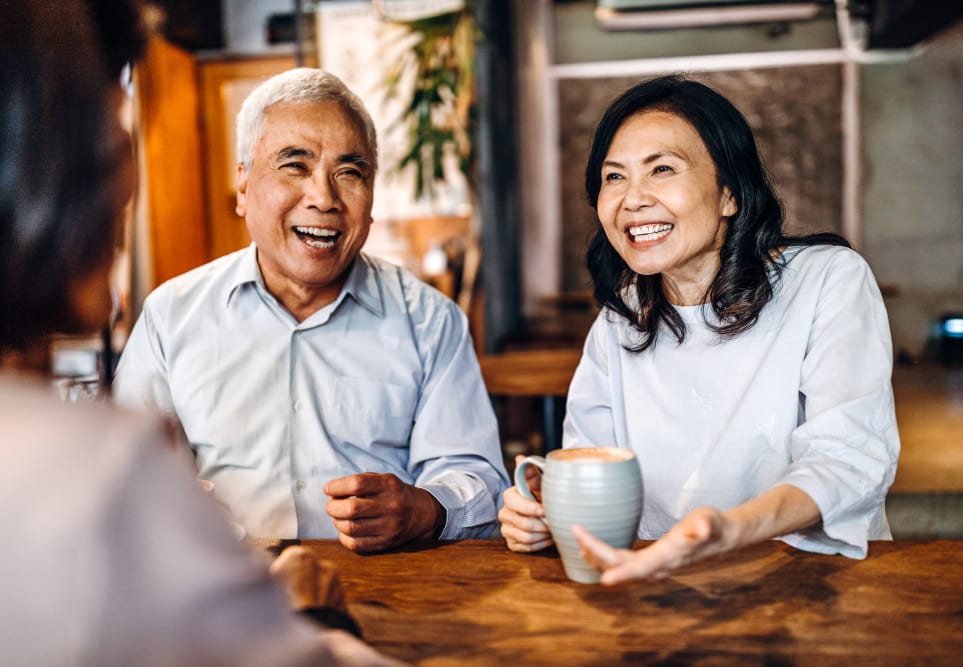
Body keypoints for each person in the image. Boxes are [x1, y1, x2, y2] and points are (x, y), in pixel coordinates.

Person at [0, 1, 399, 663]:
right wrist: (312, 611)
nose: (127, 182)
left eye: (349, 172)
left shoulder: (426, 319)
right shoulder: (99, 467)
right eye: (113, 139)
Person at [499, 75, 900, 583]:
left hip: (810, 581)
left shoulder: (826, 280)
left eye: (662, 169)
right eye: (614, 177)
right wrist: (541, 512)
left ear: (729, 193)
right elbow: (591, 462)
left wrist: (728, 531)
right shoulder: (621, 318)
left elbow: (848, 458)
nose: (633, 199)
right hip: (655, 587)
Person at [113, 67, 508, 551]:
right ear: (243, 186)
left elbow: (477, 479)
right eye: (294, 166)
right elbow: (123, 475)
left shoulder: (429, 320)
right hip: (221, 589)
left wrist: (422, 509)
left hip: (388, 594)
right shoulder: (171, 317)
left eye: (349, 173)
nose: (324, 198)